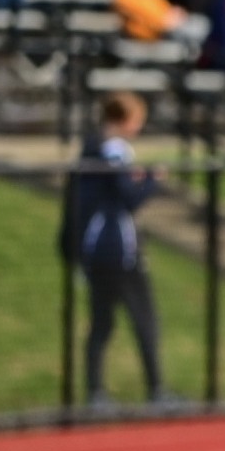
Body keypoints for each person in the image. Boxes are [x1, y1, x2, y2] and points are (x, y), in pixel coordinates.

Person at [71, 92, 166, 407]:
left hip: (97, 249)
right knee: (144, 319)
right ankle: (156, 391)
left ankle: (97, 392)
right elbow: (129, 198)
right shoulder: (113, 151)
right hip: (116, 249)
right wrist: (151, 179)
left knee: (103, 323)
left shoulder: (92, 148)